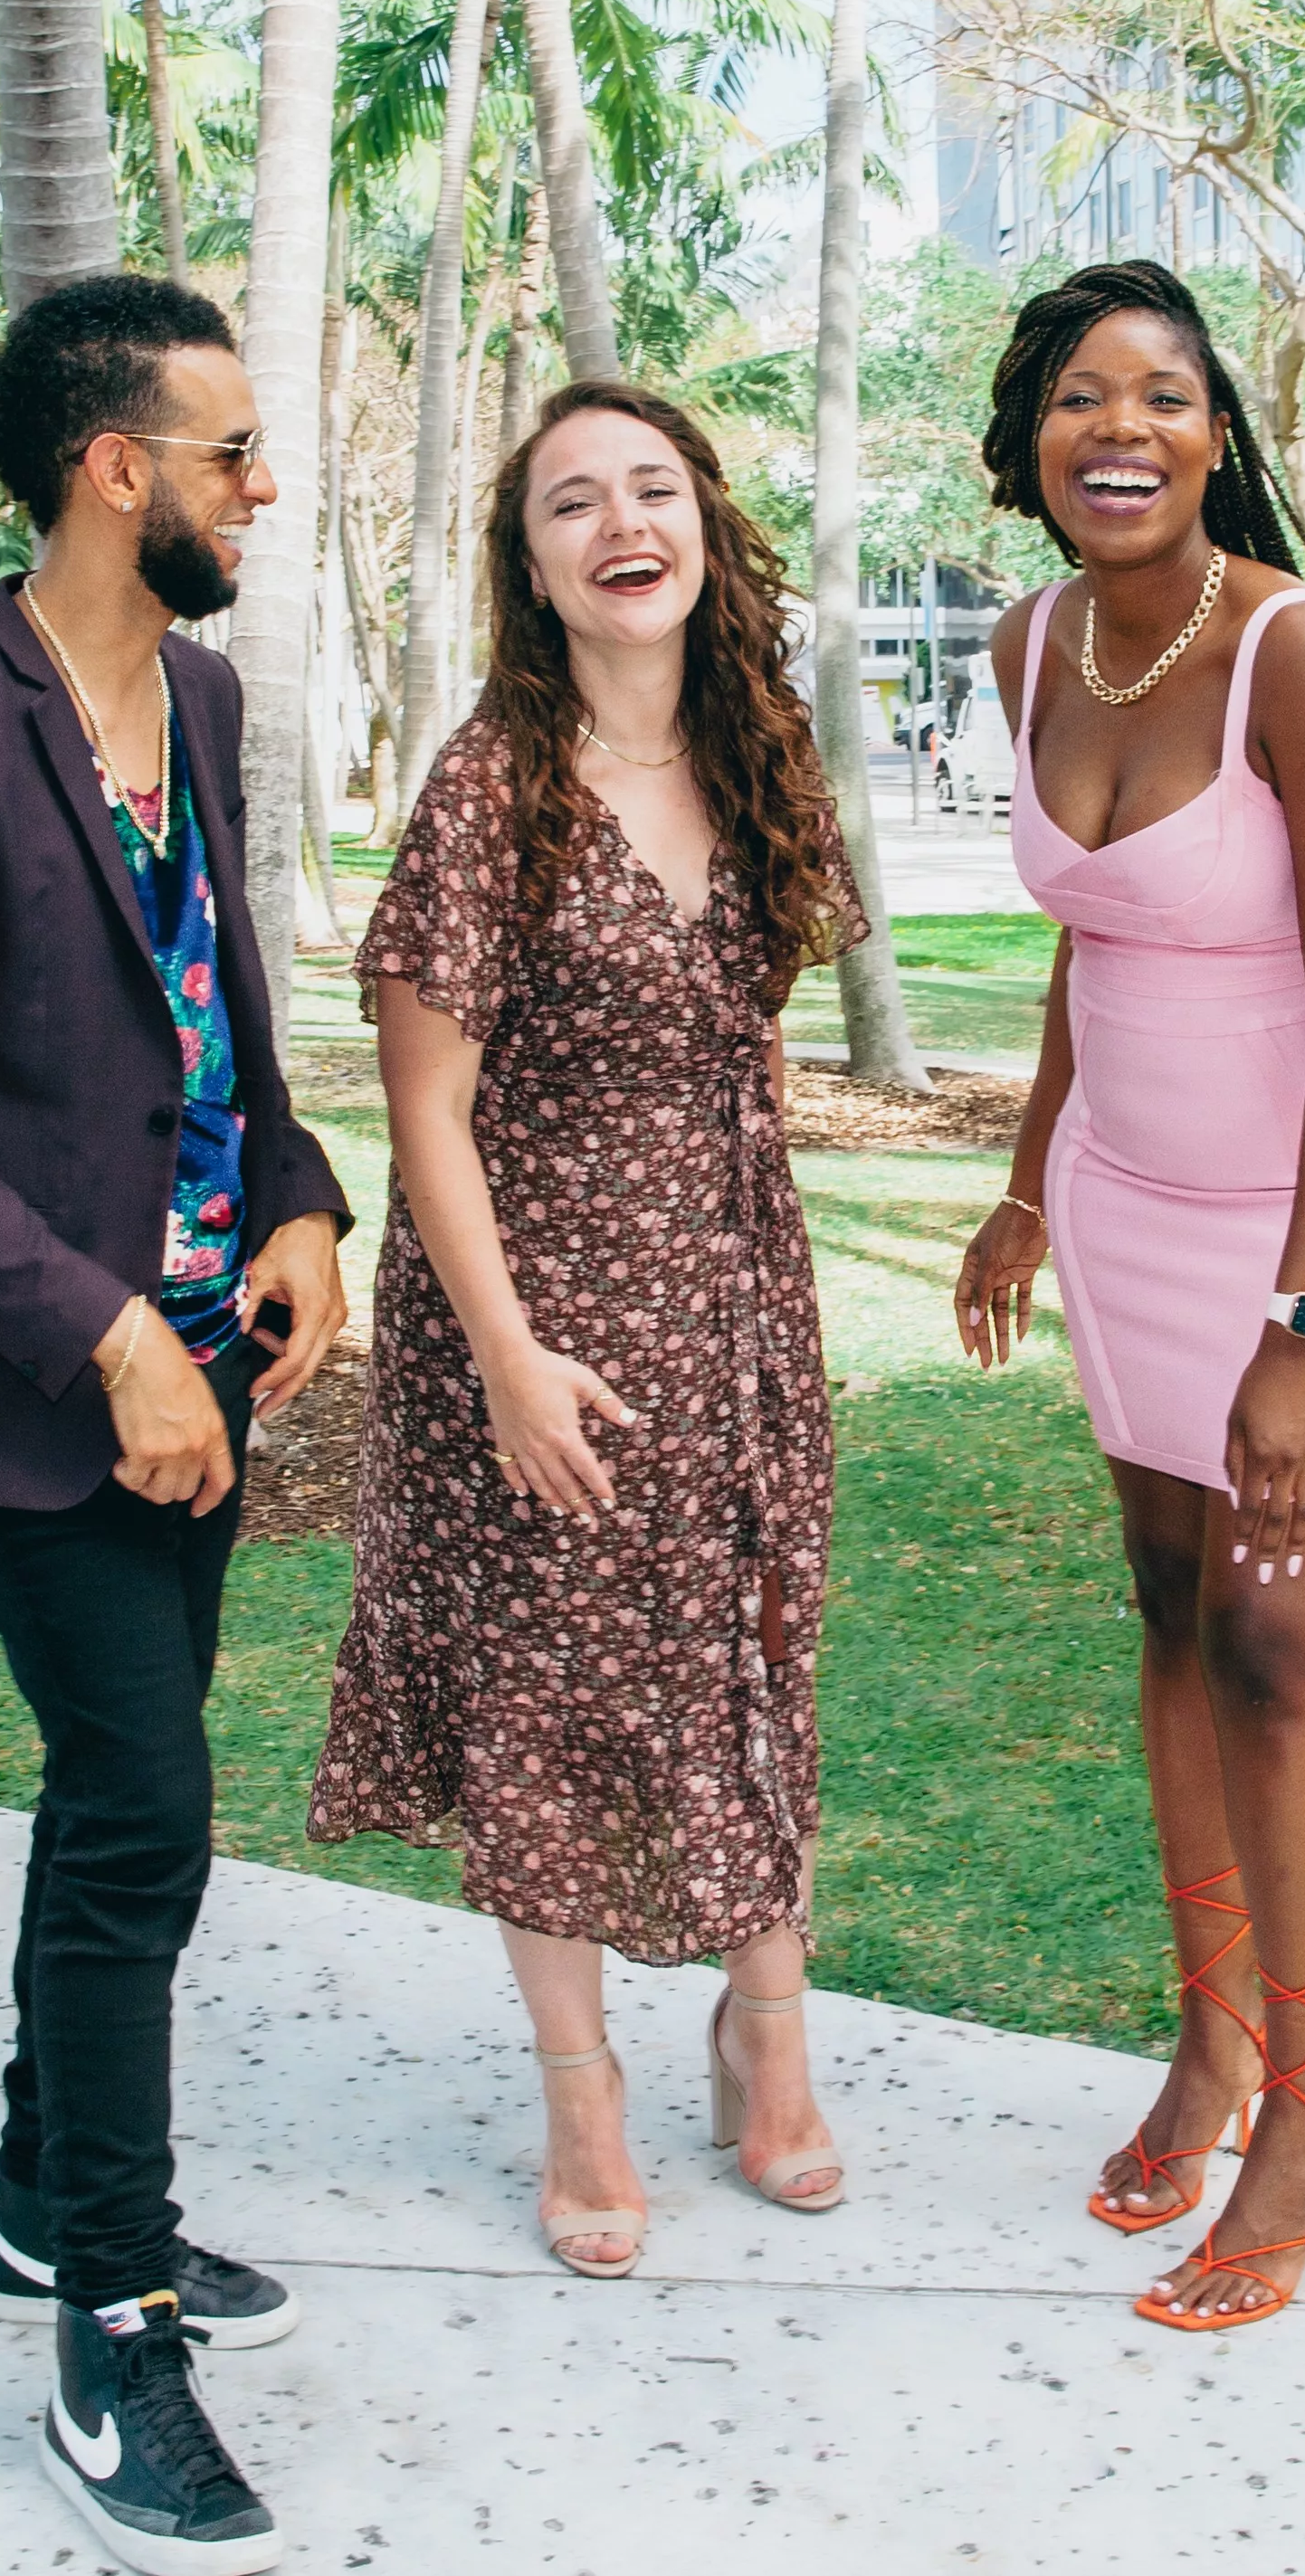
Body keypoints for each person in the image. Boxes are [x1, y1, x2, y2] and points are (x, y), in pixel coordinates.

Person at [0, 270, 348, 2576]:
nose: (262, 483)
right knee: (141, 1813)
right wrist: (107, 1335)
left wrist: (304, 1206)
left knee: (113, 1800)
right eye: (229, 450)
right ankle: (113, 2323)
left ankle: (48, 2200)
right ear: (114, 468)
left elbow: (212, 1005)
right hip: (41, 1398)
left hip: (212, 1368)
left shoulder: (201, 698)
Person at [949, 259, 1305, 2337]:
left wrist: (1300, 1327)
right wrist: (1017, 1189)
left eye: (1163, 391)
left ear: (1215, 432)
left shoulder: (1303, 659)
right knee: (1166, 1612)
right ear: (1029, 440)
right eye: (1080, 393)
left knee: (1272, 1633)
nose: (1122, 426)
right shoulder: (1027, 643)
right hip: (1127, 1190)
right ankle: (1211, 2035)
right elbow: (1093, 946)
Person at [310, 381, 862, 2280]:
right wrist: (507, 1359)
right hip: (533, 1321)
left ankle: (763, 2040)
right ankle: (580, 2094)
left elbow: (746, 1038)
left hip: (733, 1303)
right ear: (529, 563)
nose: (620, 521)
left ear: (703, 522)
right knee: (544, 1709)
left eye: (652, 486)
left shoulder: (759, 748)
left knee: (746, 1660)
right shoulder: (493, 785)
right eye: (571, 502)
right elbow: (423, 1114)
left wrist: (756, 1303)